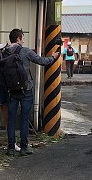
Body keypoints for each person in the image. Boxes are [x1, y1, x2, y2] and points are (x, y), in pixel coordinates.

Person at [4, 28, 59, 156]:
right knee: (24, 119)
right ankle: (24, 148)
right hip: (26, 89)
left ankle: (11, 148)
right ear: (18, 38)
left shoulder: (4, 52)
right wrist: (53, 57)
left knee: (11, 120)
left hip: (10, 90)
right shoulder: (25, 51)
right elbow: (42, 61)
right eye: (22, 38)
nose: (23, 41)